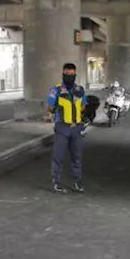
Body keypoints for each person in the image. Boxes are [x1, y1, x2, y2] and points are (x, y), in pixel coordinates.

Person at [46, 62, 90, 193]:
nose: (70, 76)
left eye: (72, 74)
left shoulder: (80, 90)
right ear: (63, 74)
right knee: (58, 156)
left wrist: (84, 117)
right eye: (67, 74)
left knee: (77, 157)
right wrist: (53, 111)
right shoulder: (56, 90)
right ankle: (56, 183)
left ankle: (77, 182)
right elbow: (50, 107)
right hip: (62, 127)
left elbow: (83, 107)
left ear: (75, 75)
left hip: (76, 128)